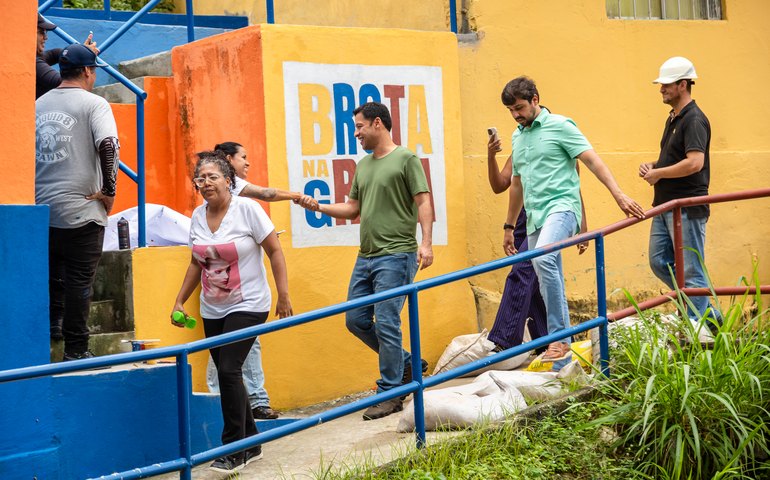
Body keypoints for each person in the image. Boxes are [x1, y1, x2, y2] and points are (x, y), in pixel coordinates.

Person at [298, 101, 434, 420]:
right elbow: (353, 209)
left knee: (387, 321)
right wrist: (319, 208)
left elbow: (424, 201)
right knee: (355, 319)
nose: (356, 133)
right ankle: (407, 365)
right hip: (367, 256)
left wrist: (425, 243)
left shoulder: (406, 159)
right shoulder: (363, 165)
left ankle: (391, 391)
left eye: (359, 126)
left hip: (397, 255)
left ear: (377, 123)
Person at [500, 76, 645, 370]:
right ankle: (561, 357)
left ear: (535, 100)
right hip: (536, 214)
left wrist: (618, 195)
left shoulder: (562, 126)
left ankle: (560, 340)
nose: (516, 115)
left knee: (542, 258)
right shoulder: (518, 137)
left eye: (520, 107)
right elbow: (516, 185)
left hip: (563, 207)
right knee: (546, 267)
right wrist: (508, 227)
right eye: (511, 110)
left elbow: (592, 162)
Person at [171, 151, 293, 473]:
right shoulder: (198, 217)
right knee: (230, 374)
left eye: (213, 177)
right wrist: (180, 300)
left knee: (228, 370)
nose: (206, 183)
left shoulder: (247, 210)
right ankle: (251, 442)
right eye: (201, 178)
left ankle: (232, 449)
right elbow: (197, 263)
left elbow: (275, 251)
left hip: (250, 303)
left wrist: (283, 295)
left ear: (229, 180)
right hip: (213, 308)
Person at [204, 141, 318, 420]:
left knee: (231, 356)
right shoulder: (232, 189)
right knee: (227, 358)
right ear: (228, 160)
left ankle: (244, 403)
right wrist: (296, 196)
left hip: (241, 296)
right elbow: (267, 193)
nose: (248, 163)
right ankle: (245, 401)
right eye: (243, 157)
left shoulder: (230, 198)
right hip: (222, 293)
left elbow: (271, 249)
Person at [35, 44, 120, 360]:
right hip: (81, 211)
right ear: (88, 71)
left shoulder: (38, 104)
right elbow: (108, 145)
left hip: (40, 212)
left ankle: (54, 328)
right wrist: (109, 190)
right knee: (79, 283)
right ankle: (76, 349)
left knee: (53, 274)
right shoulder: (95, 104)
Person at [485, 123, 589, 353]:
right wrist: (491, 155)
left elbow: (574, 191)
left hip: (551, 217)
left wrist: (583, 228)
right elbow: (500, 184)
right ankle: (546, 341)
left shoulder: (560, 147)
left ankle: (504, 340)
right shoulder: (521, 145)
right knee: (534, 279)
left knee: (523, 270)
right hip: (525, 217)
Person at [640, 57, 716, 322]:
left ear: (683, 85)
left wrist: (658, 173)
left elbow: (695, 163)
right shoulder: (674, 118)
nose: (661, 89)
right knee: (659, 261)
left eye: (666, 84)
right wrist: (655, 164)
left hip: (686, 206)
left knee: (691, 270)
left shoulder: (694, 119)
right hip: (665, 205)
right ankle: (708, 315)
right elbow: (679, 157)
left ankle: (700, 327)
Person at [36, 13, 98, 99]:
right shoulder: (32, 63)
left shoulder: (37, 57)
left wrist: (83, 52)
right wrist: (84, 55)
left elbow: (57, 53)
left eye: (45, 32)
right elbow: (68, 85)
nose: (45, 37)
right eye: (41, 32)